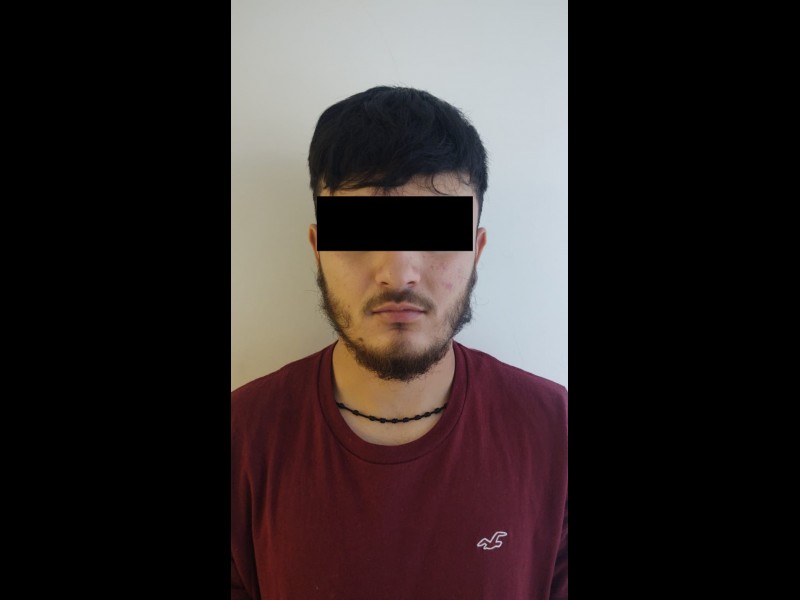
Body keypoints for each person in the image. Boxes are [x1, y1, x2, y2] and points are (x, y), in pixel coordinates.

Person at [231, 86, 567, 599]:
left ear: (476, 251)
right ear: (318, 249)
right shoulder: (243, 436)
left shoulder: (554, 432)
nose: (398, 273)